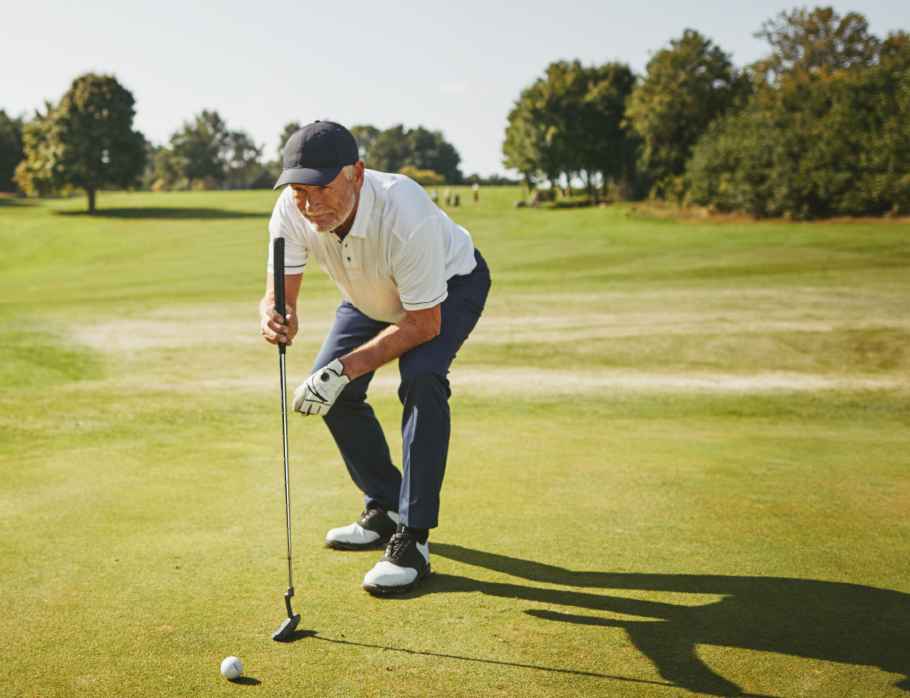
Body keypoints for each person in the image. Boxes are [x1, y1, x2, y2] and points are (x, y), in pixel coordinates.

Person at [259, 121, 491, 595]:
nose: (309, 202)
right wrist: (275, 315)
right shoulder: (292, 209)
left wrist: (343, 368)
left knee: (422, 375)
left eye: (322, 187)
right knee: (334, 394)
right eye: (299, 189)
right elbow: (278, 296)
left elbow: (424, 323)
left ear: (358, 174)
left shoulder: (406, 211)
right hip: (370, 296)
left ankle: (414, 537)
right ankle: (385, 506)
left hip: (448, 288)